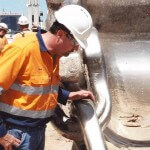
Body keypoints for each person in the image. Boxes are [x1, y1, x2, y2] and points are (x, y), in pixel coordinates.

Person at [0, 4, 95, 150]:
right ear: (61, 34)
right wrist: (1, 134)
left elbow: (42, 89)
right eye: (75, 42)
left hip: (38, 132)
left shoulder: (53, 56)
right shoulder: (23, 49)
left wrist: (70, 95)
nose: (76, 48)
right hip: (15, 135)